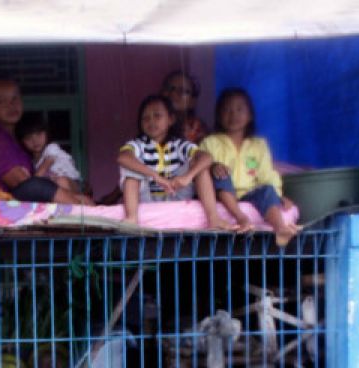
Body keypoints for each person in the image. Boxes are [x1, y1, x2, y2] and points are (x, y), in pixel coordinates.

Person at [196, 87, 299, 247]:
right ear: (218, 115)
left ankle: (280, 230)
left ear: (250, 115)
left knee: (267, 189)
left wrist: (278, 196)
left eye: (239, 109)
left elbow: (267, 175)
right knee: (220, 172)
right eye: (227, 110)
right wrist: (213, 167)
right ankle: (241, 218)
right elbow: (199, 166)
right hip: (222, 193)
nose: (233, 114)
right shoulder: (210, 142)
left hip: (249, 193)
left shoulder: (259, 145)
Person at [0, 78, 93, 205]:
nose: (11, 105)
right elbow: (21, 182)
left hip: (34, 199)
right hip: (7, 206)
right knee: (35, 185)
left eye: (15, 98)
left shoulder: (19, 139)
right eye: (2, 101)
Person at [116, 94, 213, 226]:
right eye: (145, 118)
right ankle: (132, 218)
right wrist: (155, 175)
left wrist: (187, 177)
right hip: (147, 198)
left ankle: (213, 218)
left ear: (171, 119)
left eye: (157, 115)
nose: (151, 121)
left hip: (177, 195)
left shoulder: (179, 144)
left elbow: (207, 157)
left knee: (199, 165)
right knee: (131, 168)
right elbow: (123, 157)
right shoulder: (138, 144)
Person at [17, 113, 83, 195]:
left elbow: (43, 170)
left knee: (61, 181)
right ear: (22, 141)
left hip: (72, 182)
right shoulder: (32, 160)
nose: (35, 141)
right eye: (28, 138)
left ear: (46, 133)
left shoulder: (52, 148)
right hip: (54, 187)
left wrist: (30, 183)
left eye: (39, 134)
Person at [161, 70, 208, 144]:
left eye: (181, 90)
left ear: (192, 102)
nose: (173, 93)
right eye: (170, 88)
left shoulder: (197, 129)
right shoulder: (154, 122)